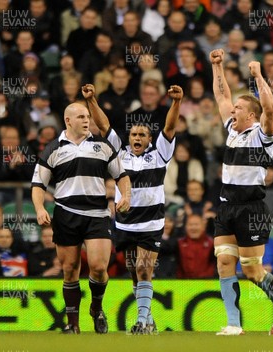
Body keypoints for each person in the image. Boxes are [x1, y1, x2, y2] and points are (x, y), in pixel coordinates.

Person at [82, 83, 182, 334]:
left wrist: (176, 102)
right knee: (134, 273)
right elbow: (104, 126)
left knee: (144, 267)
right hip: (125, 222)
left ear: (150, 139)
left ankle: (140, 322)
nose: (137, 138)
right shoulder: (119, 153)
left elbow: (169, 127)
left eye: (142, 135)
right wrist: (92, 100)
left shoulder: (160, 153)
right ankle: (148, 319)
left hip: (151, 222)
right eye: (134, 135)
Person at [209, 48, 273, 336]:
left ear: (251, 115)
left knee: (252, 271)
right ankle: (234, 324)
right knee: (223, 263)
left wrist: (257, 76)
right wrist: (217, 67)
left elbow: (270, 108)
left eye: (238, 110)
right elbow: (221, 96)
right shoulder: (232, 130)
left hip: (251, 209)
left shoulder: (263, 135)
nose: (232, 113)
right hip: (226, 206)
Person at [31, 100, 131, 334]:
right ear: (68, 121)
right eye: (81, 117)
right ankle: (72, 324)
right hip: (66, 214)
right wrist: (39, 209)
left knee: (98, 267)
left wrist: (125, 196)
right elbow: (38, 184)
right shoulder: (53, 148)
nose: (87, 120)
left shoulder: (103, 146)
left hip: (97, 213)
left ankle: (96, 308)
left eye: (88, 117)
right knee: (70, 269)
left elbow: (122, 176)